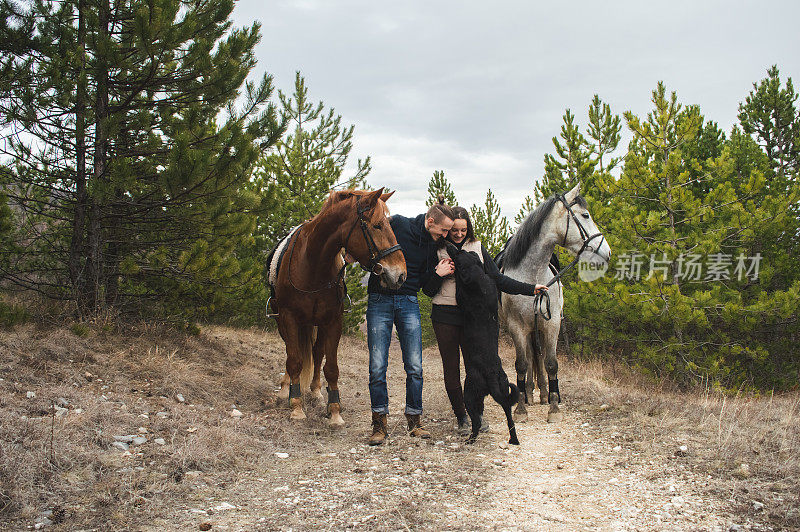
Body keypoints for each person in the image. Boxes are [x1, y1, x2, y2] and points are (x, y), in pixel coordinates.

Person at [422, 206, 547, 435]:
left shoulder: (477, 248)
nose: (458, 234)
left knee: (475, 370)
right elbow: (428, 290)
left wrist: (531, 289)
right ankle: (462, 417)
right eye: (454, 230)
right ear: (447, 229)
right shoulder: (436, 249)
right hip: (445, 315)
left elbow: (498, 278)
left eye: (463, 229)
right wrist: (438, 275)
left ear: (468, 228)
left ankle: (476, 415)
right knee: (451, 370)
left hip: (473, 320)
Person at [366, 195, 456, 446]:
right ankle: (379, 424)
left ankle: (414, 420)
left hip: (408, 302)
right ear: (430, 221)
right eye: (444, 230)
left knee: (415, 366)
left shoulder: (432, 246)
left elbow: (427, 289)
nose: (446, 235)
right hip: (379, 300)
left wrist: (437, 275)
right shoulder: (400, 225)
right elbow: (372, 239)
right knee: (377, 366)